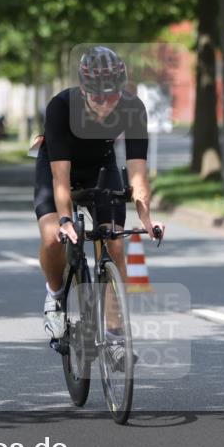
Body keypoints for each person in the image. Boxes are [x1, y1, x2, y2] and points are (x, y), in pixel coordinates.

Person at [34, 46, 165, 340]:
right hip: (58, 165)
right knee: (53, 236)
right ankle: (55, 295)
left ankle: (116, 335)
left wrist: (146, 219)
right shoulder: (61, 107)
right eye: (97, 97)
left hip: (100, 167)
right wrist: (65, 220)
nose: (106, 105)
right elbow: (60, 177)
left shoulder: (133, 108)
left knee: (114, 242)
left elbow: (138, 173)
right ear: (83, 90)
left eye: (113, 96)